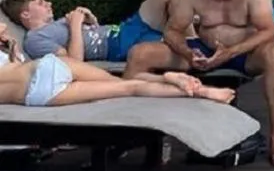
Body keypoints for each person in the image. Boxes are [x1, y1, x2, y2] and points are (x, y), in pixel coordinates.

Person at [128, 0, 274, 166]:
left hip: (244, 52)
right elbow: (172, 31)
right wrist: (188, 53)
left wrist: (231, 52)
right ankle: (127, 133)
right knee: (139, 54)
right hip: (204, 49)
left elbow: (270, 31)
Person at [2, 0, 187, 77]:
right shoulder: (35, 39)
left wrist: (90, 21)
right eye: (41, 3)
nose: (49, 4)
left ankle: (195, 42)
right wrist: (75, 25)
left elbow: (93, 34)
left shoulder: (55, 25)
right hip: (119, 45)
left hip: (122, 31)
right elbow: (73, 64)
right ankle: (195, 46)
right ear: (25, 14)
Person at [0, 53, 235, 108]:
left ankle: (203, 92)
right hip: (45, 67)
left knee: (131, 88)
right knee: (125, 81)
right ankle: (167, 77)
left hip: (37, 95)